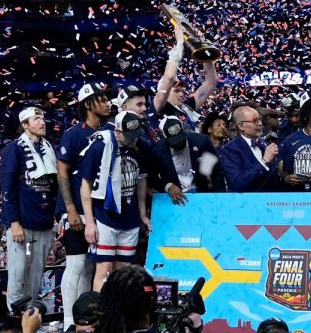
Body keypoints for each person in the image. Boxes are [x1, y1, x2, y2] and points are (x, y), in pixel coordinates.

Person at [57, 82, 111, 330]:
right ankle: (69, 321)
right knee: (76, 264)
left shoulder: (110, 131)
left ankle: (84, 320)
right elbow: (63, 172)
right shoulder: (73, 133)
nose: (107, 102)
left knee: (91, 267)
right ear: (88, 103)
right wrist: (69, 209)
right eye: (101, 99)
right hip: (77, 210)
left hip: (99, 211)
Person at [79, 111, 150, 291]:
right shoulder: (99, 146)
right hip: (106, 216)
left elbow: (141, 180)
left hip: (130, 217)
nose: (134, 139)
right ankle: (100, 315)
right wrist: (89, 222)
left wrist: (142, 214)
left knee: (124, 271)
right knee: (104, 269)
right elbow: (85, 185)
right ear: (117, 131)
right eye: (130, 135)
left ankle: (120, 315)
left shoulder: (139, 146)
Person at [0, 107, 58, 311]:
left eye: (43, 118)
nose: (42, 122)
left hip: (43, 223)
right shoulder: (14, 149)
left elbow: (54, 187)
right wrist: (13, 222)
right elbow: (7, 187)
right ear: (25, 125)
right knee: (20, 270)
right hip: (23, 227)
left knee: (37, 272)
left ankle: (31, 315)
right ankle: (16, 316)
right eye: (36, 119)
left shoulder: (50, 148)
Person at [154, 22, 218, 130]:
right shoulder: (158, 108)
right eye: (176, 91)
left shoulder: (187, 106)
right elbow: (169, 78)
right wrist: (179, 42)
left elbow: (211, 82)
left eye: (182, 91)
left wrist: (202, 48)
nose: (182, 94)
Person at [152, 116, 226, 200]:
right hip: (175, 198)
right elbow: (152, 178)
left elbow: (216, 171)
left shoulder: (201, 142)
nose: (179, 143)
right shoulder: (157, 151)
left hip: (201, 192)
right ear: (165, 139)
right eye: (175, 141)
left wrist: (220, 197)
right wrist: (168, 186)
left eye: (181, 139)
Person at [221, 106, 280, 192]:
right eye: (255, 121)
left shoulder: (266, 144)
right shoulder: (230, 150)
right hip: (247, 203)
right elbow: (238, 184)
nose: (260, 123)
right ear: (241, 126)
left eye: (260, 119)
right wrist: (263, 161)